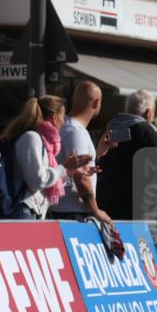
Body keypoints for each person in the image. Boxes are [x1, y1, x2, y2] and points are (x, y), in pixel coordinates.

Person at [97, 89, 157, 222]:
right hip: (135, 210)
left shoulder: (110, 129)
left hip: (105, 207)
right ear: (149, 112)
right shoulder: (147, 133)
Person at [0, 96, 92, 220]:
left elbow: (46, 181)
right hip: (24, 210)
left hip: (34, 212)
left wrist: (69, 172)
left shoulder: (43, 141)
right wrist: (64, 167)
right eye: (62, 117)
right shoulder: (32, 138)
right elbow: (37, 181)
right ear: (54, 117)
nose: (63, 122)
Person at [48, 81, 113, 223]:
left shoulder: (65, 125)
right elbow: (80, 177)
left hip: (62, 209)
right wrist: (96, 211)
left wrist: (98, 153)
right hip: (72, 212)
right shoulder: (76, 132)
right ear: (96, 103)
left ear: (73, 99)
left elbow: (76, 168)